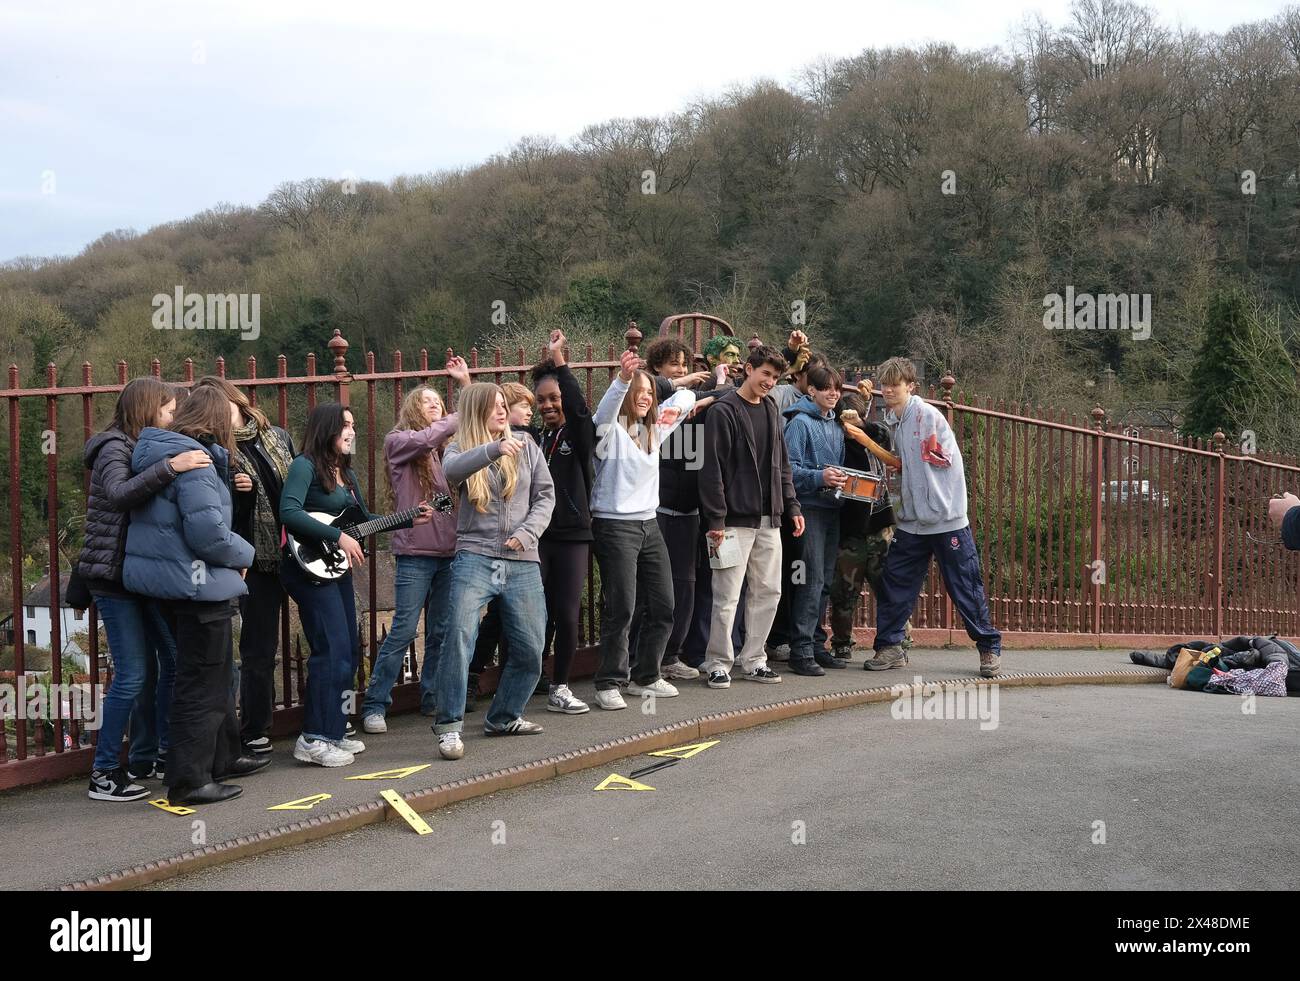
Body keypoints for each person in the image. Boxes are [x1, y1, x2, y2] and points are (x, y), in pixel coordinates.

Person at [123, 386, 265, 805]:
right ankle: (189, 780)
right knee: (201, 683)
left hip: (173, 583)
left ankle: (222, 757)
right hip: (197, 588)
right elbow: (207, 535)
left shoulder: (162, 453)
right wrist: (247, 554)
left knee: (215, 676)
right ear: (216, 421)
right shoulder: (196, 465)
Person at [280, 403, 432, 767]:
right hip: (307, 568)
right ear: (327, 429)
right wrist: (337, 537)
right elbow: (289, 512)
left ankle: (333, 730)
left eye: (353, 424)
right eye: (344, 425)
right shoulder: (304, 465)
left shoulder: (346, 473)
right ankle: (312, 738)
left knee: (348, 649)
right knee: (329, 652)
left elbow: (363, 522)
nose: (352, 431)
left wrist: (410, 520)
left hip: (335, 569)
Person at [79, 378, 195, 801]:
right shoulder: (114, 447)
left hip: (138, 575)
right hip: (113, 578)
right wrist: (171, 468)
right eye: (166, 407)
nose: (171, 414)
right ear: (147, 408)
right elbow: (118, 493)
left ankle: (161, 751)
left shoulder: (139, 445)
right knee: (131, 675)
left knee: (174, 659)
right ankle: (104, 772)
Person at [433, 383, 555, 759]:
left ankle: (504, 716)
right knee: (459, 636)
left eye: (504, 405)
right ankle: (450, 727)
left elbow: (545, 495)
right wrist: (492, 449)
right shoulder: (460, 448)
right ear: (476, 411)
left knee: (532, 647)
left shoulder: (527, 446)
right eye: (494, 407)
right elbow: (451, 473)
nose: (502, 412)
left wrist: (527, 532)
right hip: (475, 556)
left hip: (521, 559)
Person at [864, 357, 1002, 677]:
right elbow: (901, 466)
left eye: (894, 385)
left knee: (964, 585)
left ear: (910, 386)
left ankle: (988, 647)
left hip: (944, 519)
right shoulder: (894, 418)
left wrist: (933, 507)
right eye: (884, 385)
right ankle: (890, 646)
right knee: (895, 582)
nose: (887, 390)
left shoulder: (926, 416)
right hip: (912, 522)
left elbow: (935, 464)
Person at [360, 357, 471, 733]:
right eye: (428, 401)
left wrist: (466, 383)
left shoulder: (446, 450)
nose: (436, 406)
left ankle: (432, 697)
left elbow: (469, 426)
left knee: (441, 629)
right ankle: (375, 705)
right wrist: (459, 407)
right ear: (412, 408)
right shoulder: (400, 441)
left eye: (440, 401)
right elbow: (430, 435)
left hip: (449, 552)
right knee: (405, 629)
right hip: (415, 553)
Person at [192, 375, 295, 757]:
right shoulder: (216, 450)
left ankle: (327, 719)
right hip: (255, 559)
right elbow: (219, 516)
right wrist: (242, 497)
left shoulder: (277, 436)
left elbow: (297, 489)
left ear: (234, 401)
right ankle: (256, 728)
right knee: (258, 648)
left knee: (327, 638)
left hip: (298, 551)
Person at [589, 350, 696, 709]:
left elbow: (686, 399)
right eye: (639, 391)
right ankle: (608, 681)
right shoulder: (608, 433)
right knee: (622, 606)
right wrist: (623, 379)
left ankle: (646, 675)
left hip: (649, 524)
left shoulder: (656, 429)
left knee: (664, 603)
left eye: (649, 391)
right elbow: (607, 408)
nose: (644, 396)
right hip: (614, 525)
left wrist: (683, 383)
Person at [698, 345, 803, 688]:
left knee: (768, 591)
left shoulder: (772, 409)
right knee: (727, 595)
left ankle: (755, 660)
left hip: (770, 520)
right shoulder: (723, 411)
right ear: (748, 369)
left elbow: (782, 465)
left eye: (775, 377)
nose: (770, 382)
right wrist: (715, 521)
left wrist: (793, 507)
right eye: (766, 374)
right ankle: (717, 662)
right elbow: (710, 471)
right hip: (730, 523)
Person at [530, 331, 596, 714]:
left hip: (572, 535)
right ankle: (530, 676)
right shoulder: (533, 438)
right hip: (536, 537)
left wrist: (559, 361)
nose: (549, 405)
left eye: (554, 399)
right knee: (533, 611)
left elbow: (580, 408)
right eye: (542, 400)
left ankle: (561, 685)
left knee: (567, 612)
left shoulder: (580, 433)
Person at [826, 391, 910, 660]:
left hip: (879, 526)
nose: (850, 428)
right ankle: (841, 643)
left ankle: (897, 640)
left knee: (887, 586)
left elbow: (884, 433)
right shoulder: (835, 443)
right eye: (845, 422)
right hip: (848, 530)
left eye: (856, 420)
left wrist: (863, 427)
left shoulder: (873, 437)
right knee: (843, 592)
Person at [783, 364, 849, 676]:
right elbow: (787, 471)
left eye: (837, 388)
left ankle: (815, 644)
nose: (833, 393)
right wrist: (819, 476)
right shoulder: (798, 423)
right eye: (826, 388)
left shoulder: (836, 425)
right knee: (808, 580)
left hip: (831, 509)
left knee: (823, 580)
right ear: (811, 390)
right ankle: (800, 650)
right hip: (808, 509)